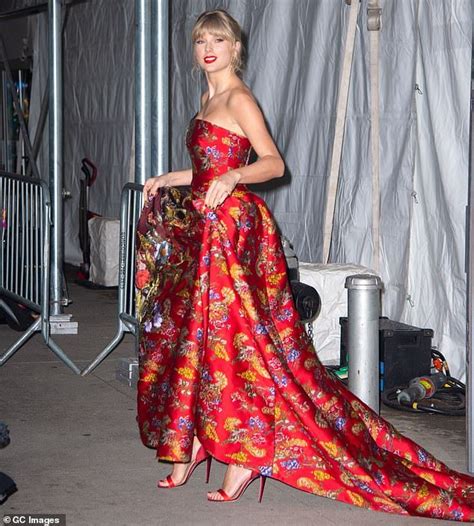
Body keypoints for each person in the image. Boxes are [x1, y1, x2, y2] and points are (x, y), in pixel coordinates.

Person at [136, 9, 474, 520]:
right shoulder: (208, 97)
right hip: (210, 231)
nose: (208, 48)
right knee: (200, 335)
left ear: (234, 48)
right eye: (201, 40)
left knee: (241, 342)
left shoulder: (241, 98)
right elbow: (209, 169)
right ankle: (199, 437)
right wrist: (170, 178)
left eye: (218, 40)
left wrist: (234, 179)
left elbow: (273, 164)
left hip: (237, 232)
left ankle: (241, 457)